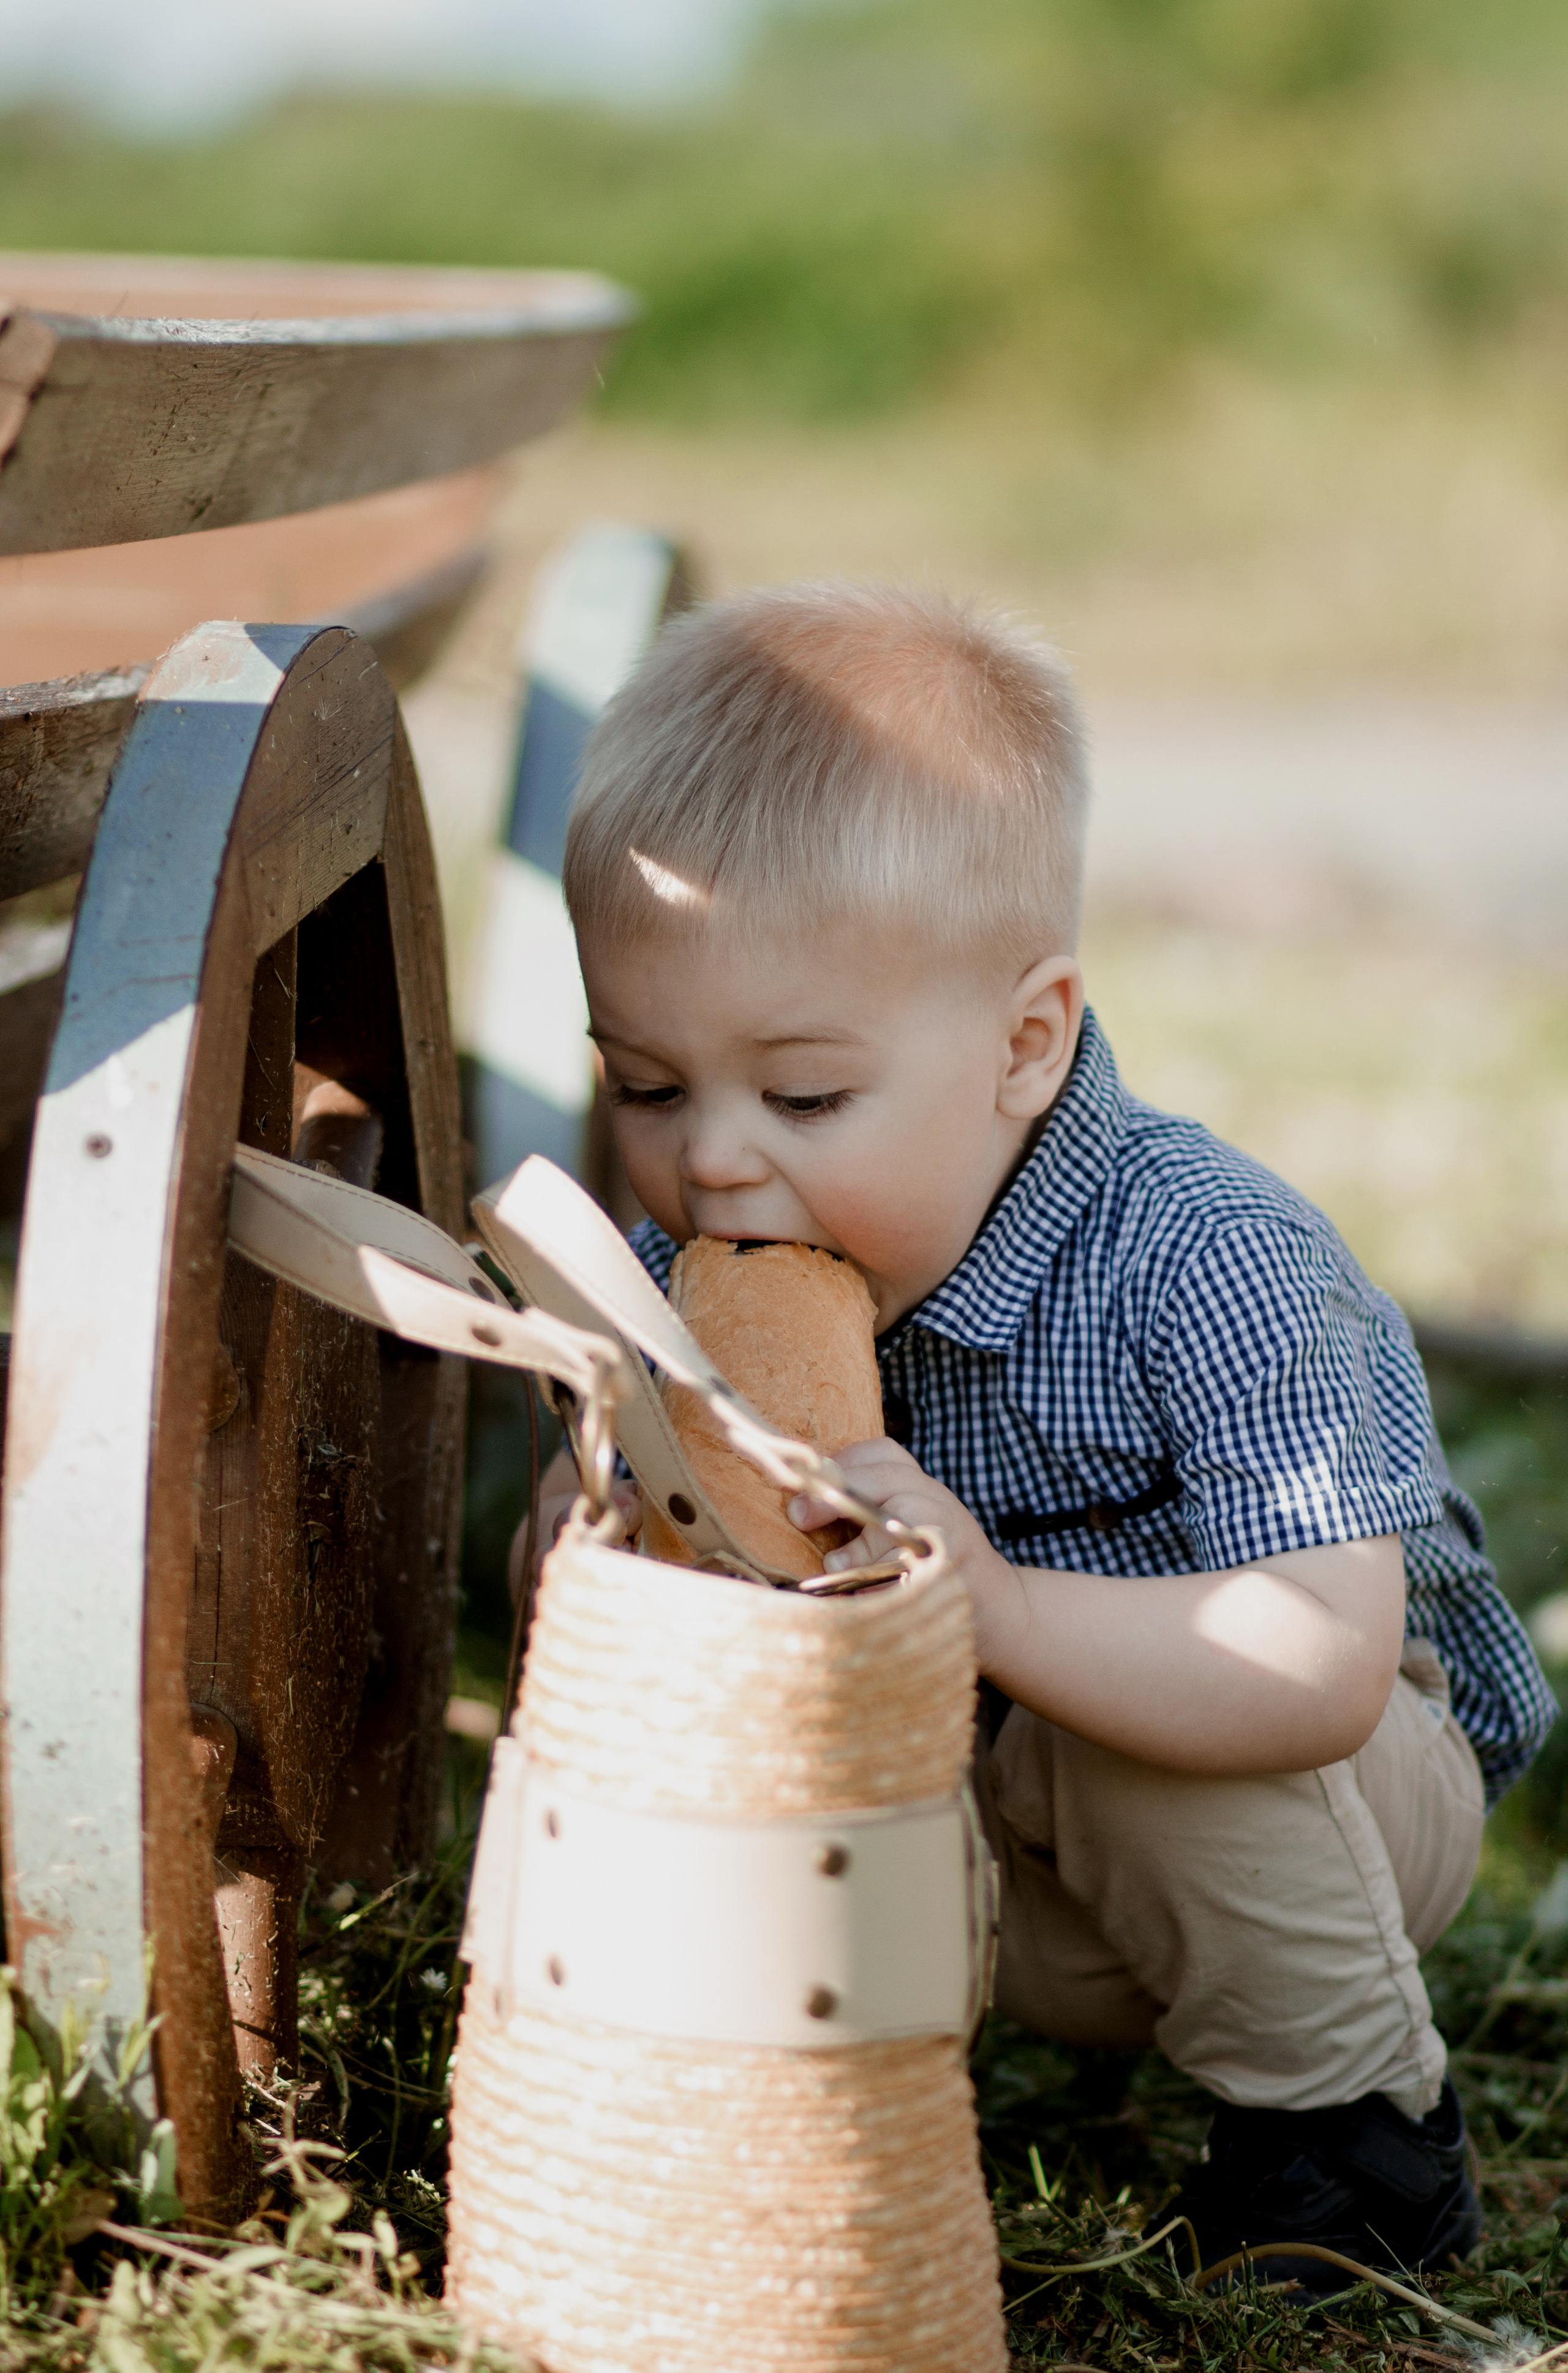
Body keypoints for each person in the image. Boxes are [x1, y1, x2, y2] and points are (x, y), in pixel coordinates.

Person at [526, 579, 1556, 2288]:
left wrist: (993, 1603)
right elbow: (578, 1606)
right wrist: (627, 1521)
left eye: (800, 1096)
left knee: (1121, 1737)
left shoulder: (1207, 1258)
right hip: (991, 1850)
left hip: (1328, 1792)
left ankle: (1356, 2134)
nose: (710, 1162)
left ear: (1025, 1041)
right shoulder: (685, 1279)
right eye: (646, 1084)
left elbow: (1318, 1660)